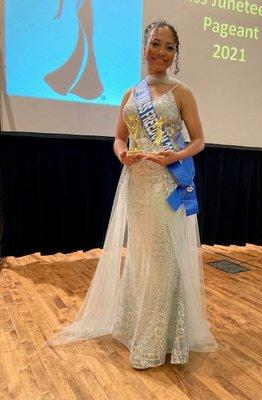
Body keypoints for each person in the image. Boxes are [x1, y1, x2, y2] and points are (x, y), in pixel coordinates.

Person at [46, 20, 218, 370]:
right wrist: (121, 153)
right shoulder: (130, 93)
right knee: (140, 258)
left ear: (175, 54)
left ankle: (160, 339)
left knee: (162, 261)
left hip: (165, 184)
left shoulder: (182, 92)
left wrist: (176, 155)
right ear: (144, 47)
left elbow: (199, 141)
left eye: (170, 48)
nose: (162, 53)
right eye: (156, 44)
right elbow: (119, 138)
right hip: (136, 183)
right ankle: (135, 326)